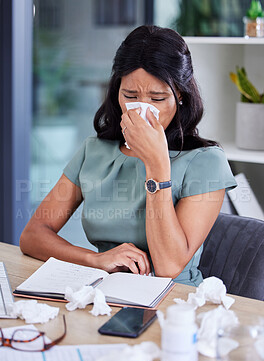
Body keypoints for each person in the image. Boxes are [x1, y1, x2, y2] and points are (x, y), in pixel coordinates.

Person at [20, 25, 236, 286]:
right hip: (106, 291)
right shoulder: (95, 150)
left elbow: (168, 266)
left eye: (157, 98)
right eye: (130, 95)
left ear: (179, 95)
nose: (143, 110)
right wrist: (95, 260)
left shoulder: (206, 162)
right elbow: (32, 236)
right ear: (116, 91)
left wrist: (156, 165)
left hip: (174, 300)